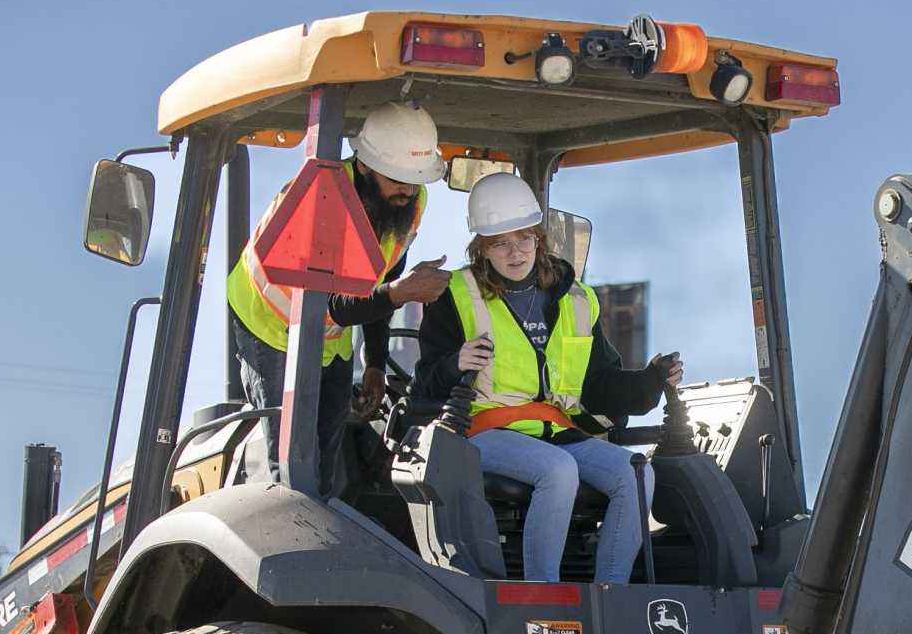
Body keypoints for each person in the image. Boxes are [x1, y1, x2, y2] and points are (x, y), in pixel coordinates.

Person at [415, 171, 682, 583]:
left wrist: (652, 379)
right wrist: (456, 364)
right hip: (482, 430)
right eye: (499, 242)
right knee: (557, 471)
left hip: (555, 431)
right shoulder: (454, 297)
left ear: (539, 238)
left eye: (523, 238)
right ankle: (544, 597)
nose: (514, 251)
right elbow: (426, 384)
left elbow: (599, 385)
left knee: (637, 472)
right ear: (481, 247)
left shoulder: (578, 300)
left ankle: (608, 595)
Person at [227, 101, 454, 491]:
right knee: (293, 459)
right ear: (364, 166)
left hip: (332, 333)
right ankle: (293, 535)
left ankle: (323, 529)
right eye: (398, 178)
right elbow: (335, 303)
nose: (408, 189)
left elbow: (385, 274)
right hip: (270, 324)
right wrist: (401, 294)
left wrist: (377, 363)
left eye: (415, 179)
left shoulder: (409, 201)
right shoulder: (324, 199)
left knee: (329, 452)